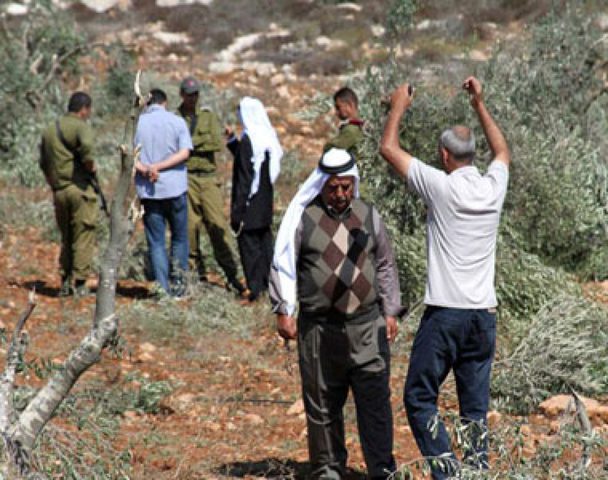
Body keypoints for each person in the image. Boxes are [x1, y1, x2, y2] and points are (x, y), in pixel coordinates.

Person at [380, 76, 511, 479]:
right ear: (473, 155)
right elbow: (503, 150)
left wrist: (399, 105)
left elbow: (388, 148)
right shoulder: (492, 188)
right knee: (474, 410)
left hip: (446, 316)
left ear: (443, 155)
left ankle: (449, 474)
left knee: (419, 397)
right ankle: (474, 474)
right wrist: (479, 104)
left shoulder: (441, 186)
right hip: (483, 316)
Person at [270, 148, 402, 480]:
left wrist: (390, 311)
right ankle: (328, 470)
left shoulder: (368, 215)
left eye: (346, 187)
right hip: (319, 330)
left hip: (366, 328)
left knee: (374, 403)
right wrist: (284, 309)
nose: (340, 194)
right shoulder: (304, 218)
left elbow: (385, 264)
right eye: (333, 187)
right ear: (322, 185)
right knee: (322, 403)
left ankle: (381, 470)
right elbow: (283, 262)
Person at [177, 76, 245, 294]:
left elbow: (215, 143)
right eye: (189, 94)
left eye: (195, 94)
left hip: (207, 178)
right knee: (190, 228)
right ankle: (195, 276)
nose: (192, 98)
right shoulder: (175, 118)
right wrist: (195, 145)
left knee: (217, 225)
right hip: (185, 177)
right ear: (182, 95)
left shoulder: (208, 117)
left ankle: (233, 276)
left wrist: (187, 145)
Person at [134, 88, 192, 297]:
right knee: (179, 238)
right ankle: (179, 288)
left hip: (149, 191)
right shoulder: (177, 122)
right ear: (165, 102)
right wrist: (160, 166)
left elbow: (130, 156)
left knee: (156, 242)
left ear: (146, 103)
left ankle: (162, 289)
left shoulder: (136, 124)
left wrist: (148, 169)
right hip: (175, 188)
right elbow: (184, 152)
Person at [39, 91, 98, 297]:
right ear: (84, 109)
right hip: (79, 189)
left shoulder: (49, 130)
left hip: (59, 191)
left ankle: (64, 281)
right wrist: (91, 167)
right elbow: (89, 149)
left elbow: (43, 163)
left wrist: (55, 184)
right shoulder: (81, 126)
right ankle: (80, 284)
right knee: (84, 234)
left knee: (66, 236)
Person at [227, 97, 282, 303]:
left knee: (250, 249)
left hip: (249, 207)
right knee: (266, 246)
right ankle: (271, 287)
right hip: (264, 204)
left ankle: (256, 290)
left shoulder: (249, 140)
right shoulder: (266, 138)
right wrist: (233, 143)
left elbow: (245, 179)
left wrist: (237, 212)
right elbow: (254, 164)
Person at [323, 87, 364, 157]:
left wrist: (327, 146)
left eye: (338, 107)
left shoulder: (351, 130)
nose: (336, 112)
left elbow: (332, 149)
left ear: (350, 105)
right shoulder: (358, 125)